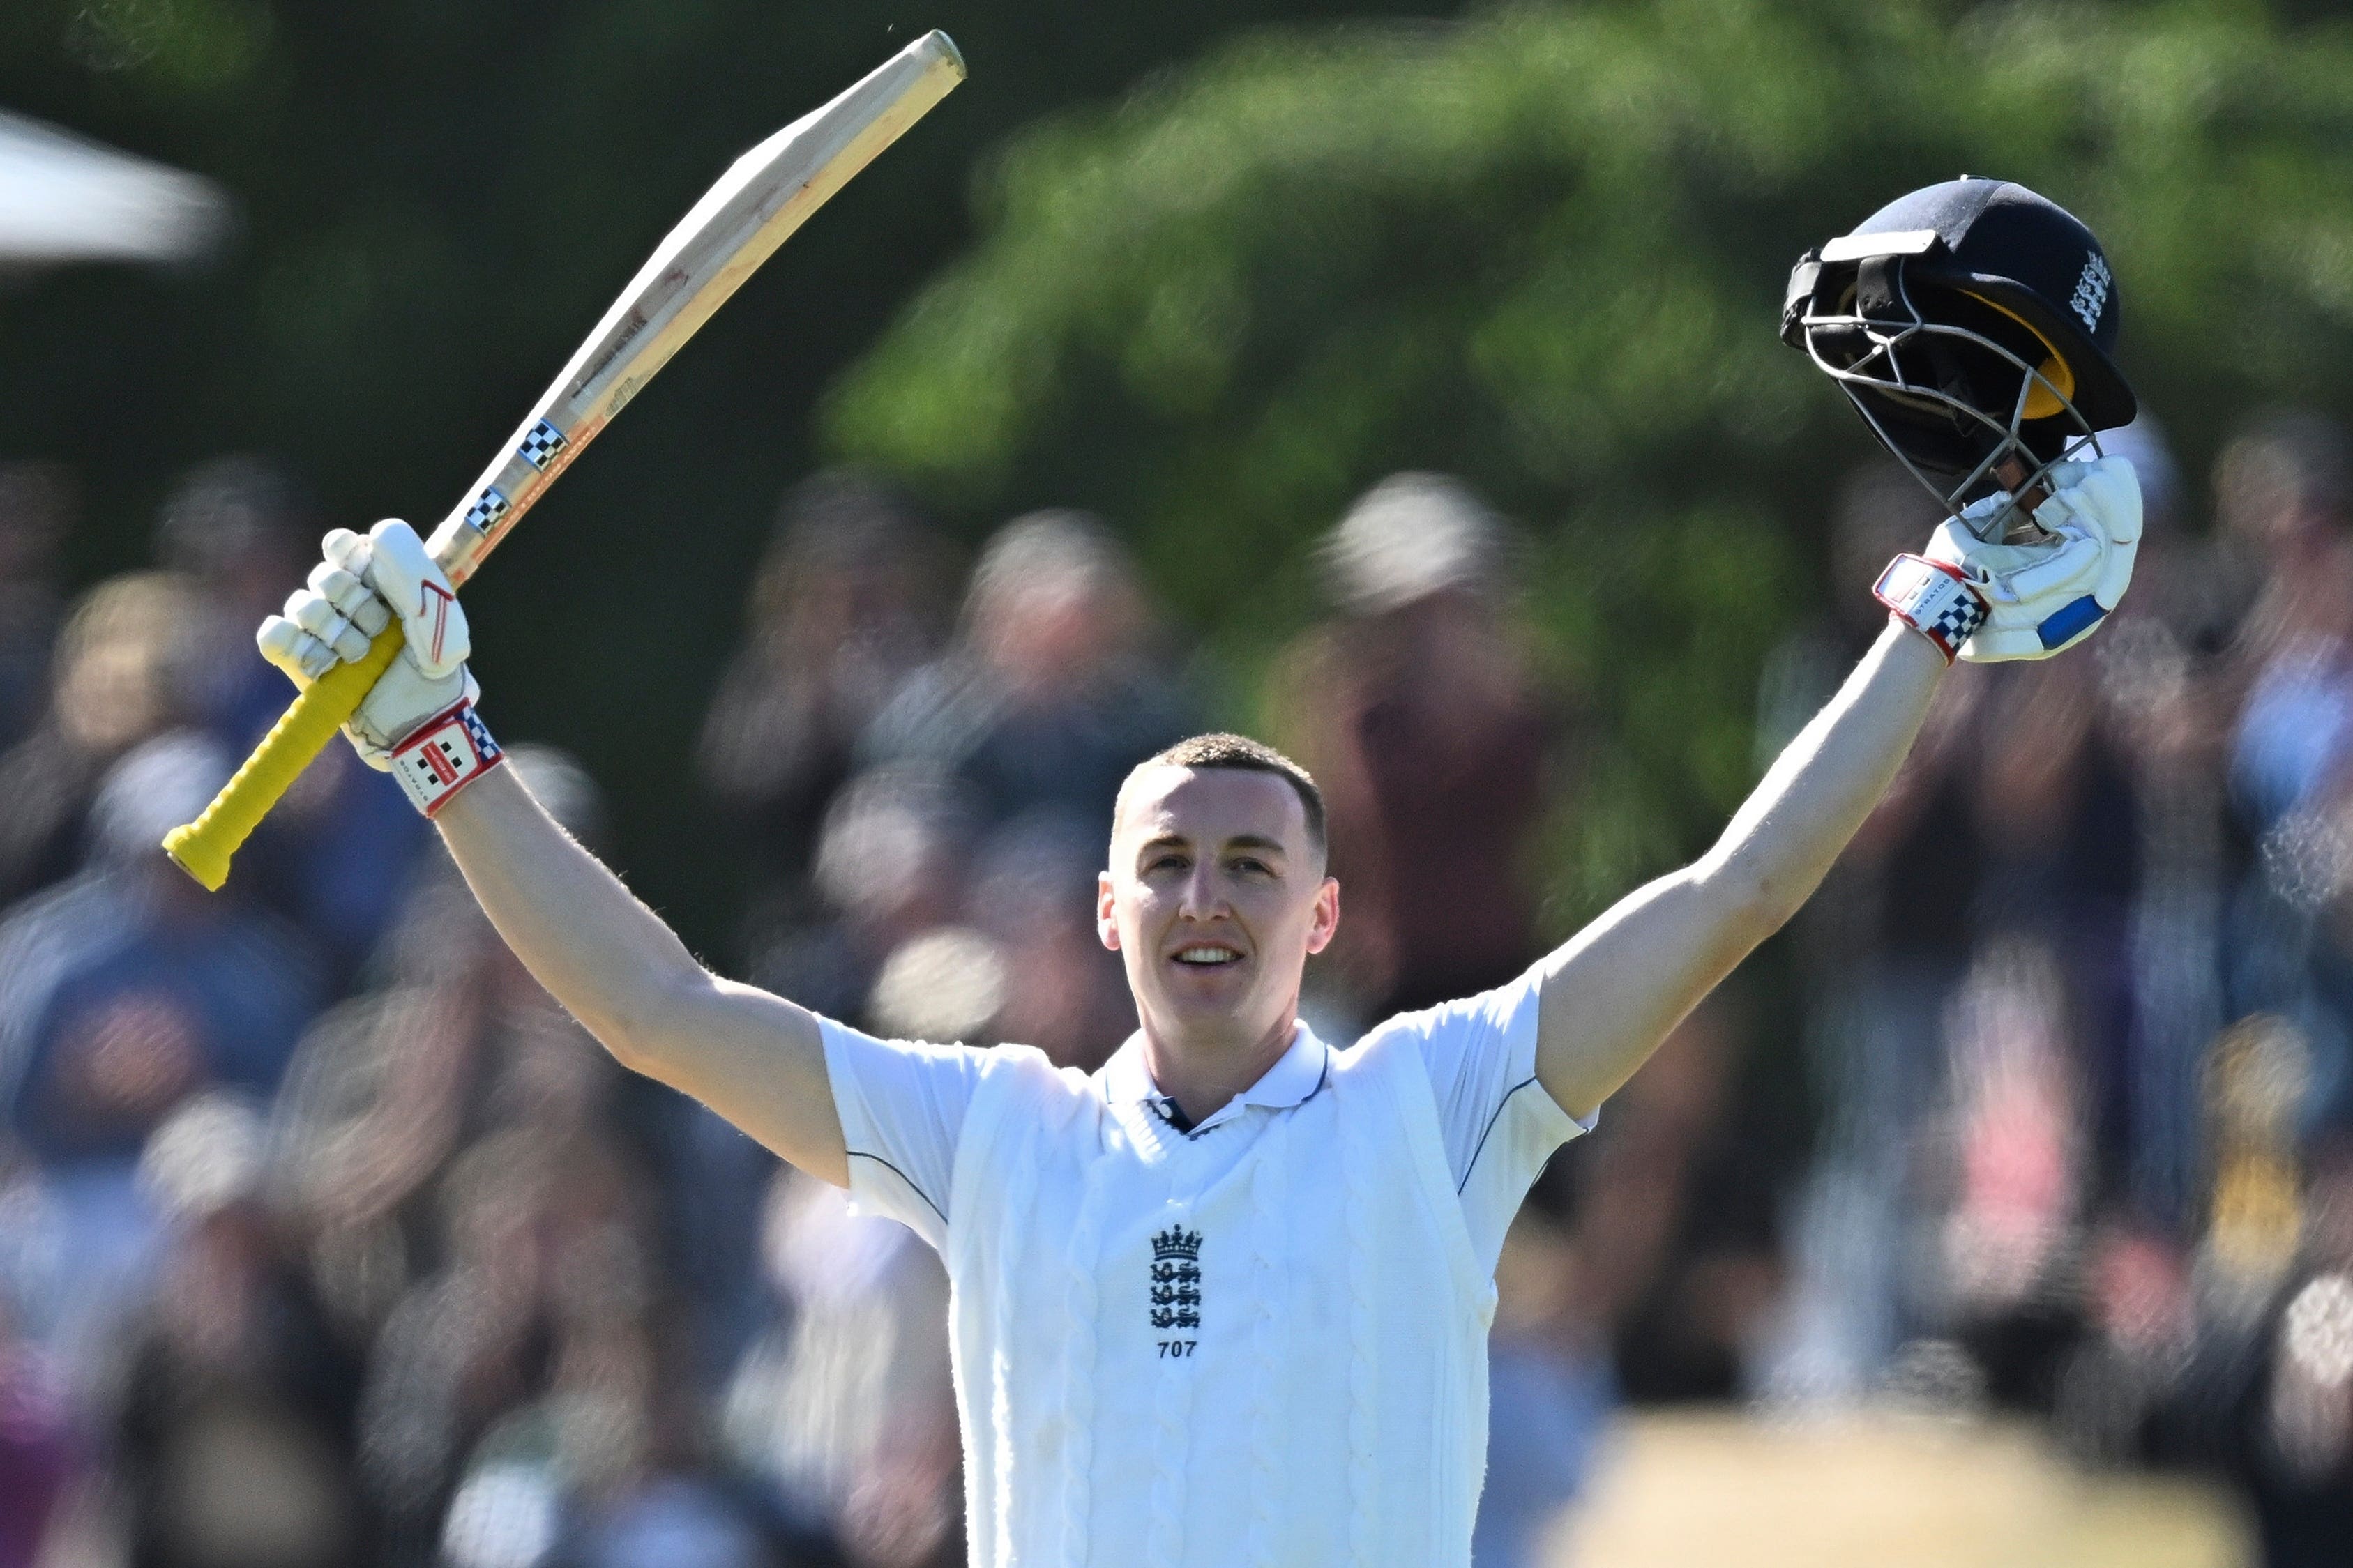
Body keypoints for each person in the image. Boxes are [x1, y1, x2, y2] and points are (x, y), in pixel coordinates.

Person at [249, 182, 2144, 1565]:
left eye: (1255, 860)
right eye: (1165, 863)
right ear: (1106, 911)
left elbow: (1738, 890)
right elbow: (658, 1008)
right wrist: (442, 752)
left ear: (1327, 915)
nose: (1208, 892)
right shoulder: (1000, 1138)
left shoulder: (1435, 1103)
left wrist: (1941, 616)